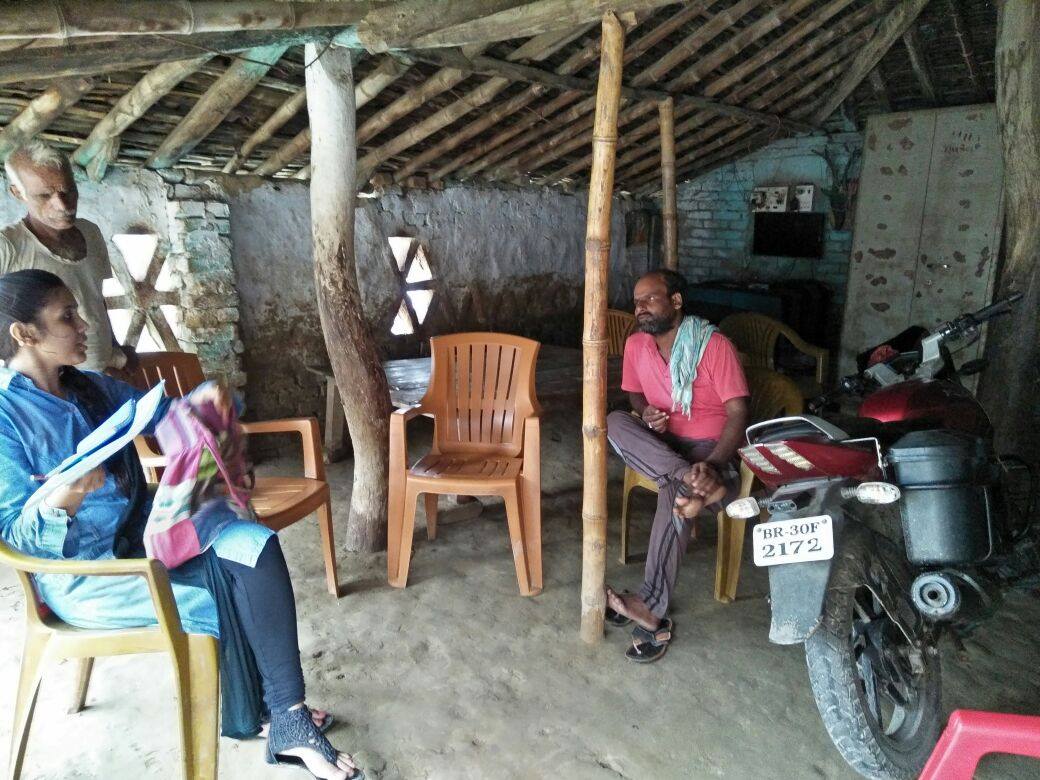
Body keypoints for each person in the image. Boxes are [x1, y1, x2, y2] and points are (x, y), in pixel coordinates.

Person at [0, 270, 362, 779]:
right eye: (67, 317)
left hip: (139, 537)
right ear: (24, 334)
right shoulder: (5, 418)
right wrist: (70, 493)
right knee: (230, 592)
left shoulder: (88, 387)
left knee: (253, 545)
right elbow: (15, 536)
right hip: (85, 577)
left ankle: (288, 716)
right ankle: (264, 710)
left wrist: (206, 409)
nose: (84, 326)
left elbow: (161, 414)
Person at [604, 269, 749, 663]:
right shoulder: (636, 344)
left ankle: (652, 607)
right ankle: (695, 479)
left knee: (677, 496)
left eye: (650, 299)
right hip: (666, 445)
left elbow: (738, 413)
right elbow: (634, 395)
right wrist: (646, 411)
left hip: (709, 447)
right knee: (614, 421)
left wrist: (713, 462)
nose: (640, 307)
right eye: (636, 301)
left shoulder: (713, 345)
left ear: (677, 301)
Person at [2, 140, 132, 372]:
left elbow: (96, 299)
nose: (62, 205)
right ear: (17, 193)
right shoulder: (7, 247)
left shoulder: (90, 233)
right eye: (44, 195)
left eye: (68, 191)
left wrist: (114, 349)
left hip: (99, 371)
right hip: (47, 382)